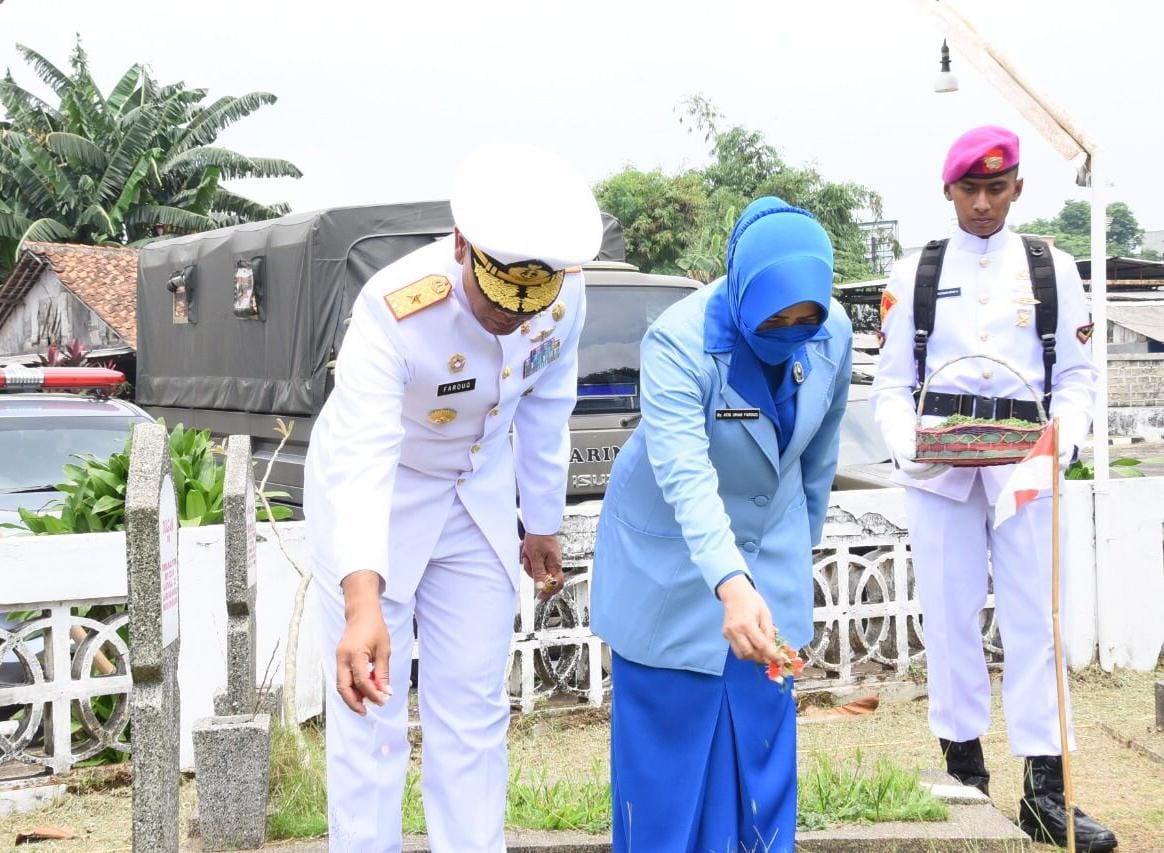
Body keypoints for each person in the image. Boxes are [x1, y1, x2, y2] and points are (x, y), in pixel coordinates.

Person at [303, 143, 602, 852]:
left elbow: (547, 399)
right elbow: (364, 458)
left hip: (478, 497)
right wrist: (362, 600)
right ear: (463, 246)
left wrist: (543, 521)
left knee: (472, 712)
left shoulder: (565, 295)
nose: (511, 319)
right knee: (370, 720)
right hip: (381, 498)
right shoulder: (393, 311)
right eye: (497, 300)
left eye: (529, 302)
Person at [870, 126, 1116, 850]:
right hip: (940, 469)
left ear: (1018, 188)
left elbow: (1075, 379)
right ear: (947, 191)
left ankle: (1046, 793)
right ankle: (965, 782)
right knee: (948, 620)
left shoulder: (1052, 268)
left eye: (996, 188)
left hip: (1025, 467)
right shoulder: (913, 272)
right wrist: (906, 441)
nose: (983, 203)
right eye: (969, 189)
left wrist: (1060, 439)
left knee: (1037, 620)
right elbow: (891, 385)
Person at [590, 197, 852, 852]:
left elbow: (818, 459)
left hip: (768, 576)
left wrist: (794, 559)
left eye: (804, 317)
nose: (792, 328)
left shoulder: (833, 332)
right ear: (740, 288)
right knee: (667, 786)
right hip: (671, 570)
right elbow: (686, 477)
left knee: (759, 772)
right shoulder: (678, 342)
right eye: (776, 316)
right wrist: (733, 584)